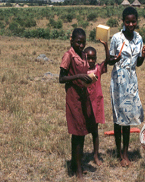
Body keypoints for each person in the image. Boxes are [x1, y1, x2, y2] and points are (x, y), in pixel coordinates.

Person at [109, 6, 145, 167]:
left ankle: (125, 151)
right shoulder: (116, 38)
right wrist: (116, 58)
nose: (131, 24)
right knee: (119, 117)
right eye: (127, 22)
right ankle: (119, 153)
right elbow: (109, 60)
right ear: (123, 21)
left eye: (133, 21)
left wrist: (143, 57)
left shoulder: (138, 38)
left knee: (129, 117)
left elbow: (137, 63)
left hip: (131, 79)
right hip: (118, 79)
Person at [59, 28, 95, 179]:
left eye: (83, 43)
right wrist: (79, 76)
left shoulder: (83, 55)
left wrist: (89, 78)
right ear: (71, 41)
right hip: (73, 97)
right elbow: (61, 78)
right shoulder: (68, 56)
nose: (81, 45)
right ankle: (78, 169)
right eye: (78, 42)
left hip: (83, 96)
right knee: (77, 133)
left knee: (82, 133)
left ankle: (75, 164)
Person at [83, 39, 110, 166]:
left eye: (93, 58)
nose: (91, 61)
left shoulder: (98, 69)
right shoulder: (82, 72)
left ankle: (95, 155)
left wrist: (106, 46)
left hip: (96, 103)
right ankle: (80, 154)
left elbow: (109, 61)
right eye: (88, 58)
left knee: (95, 131)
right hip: (84, 103)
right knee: (82, 130)